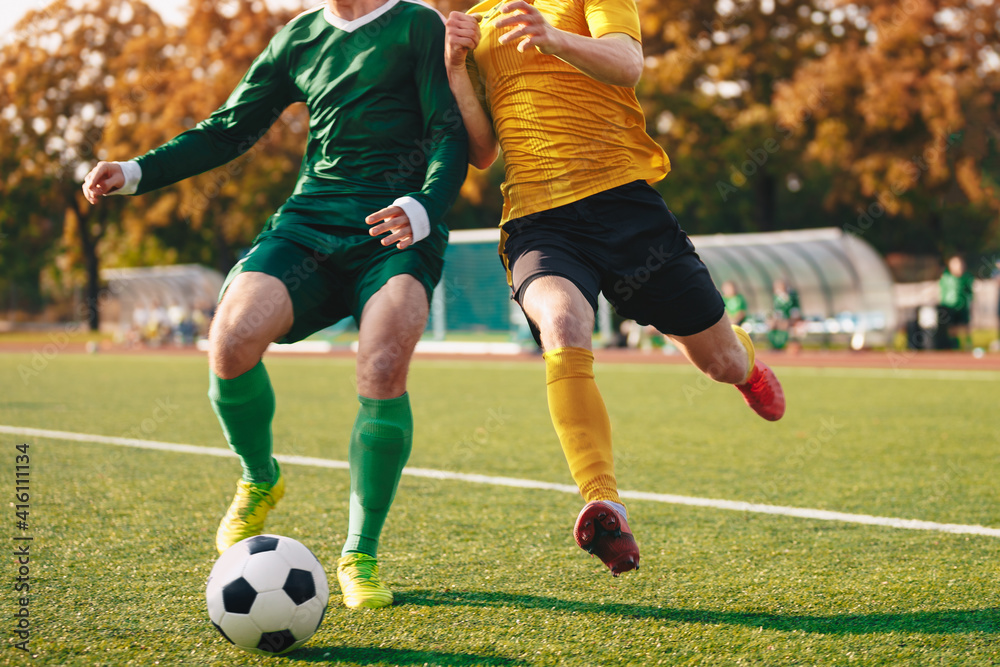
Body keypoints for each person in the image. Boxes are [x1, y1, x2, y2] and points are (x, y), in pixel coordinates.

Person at [82, 0, 467, 609]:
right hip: (310, 222)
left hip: (396, 227)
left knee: (384, 359)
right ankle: (260, 477)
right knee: (231, 339)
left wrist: (424, 208)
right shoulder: (298, 38)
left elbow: (452, 132)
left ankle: (359, 555)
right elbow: (230, 127)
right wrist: (134, 171)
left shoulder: (417, 23)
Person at [443, 0, 785, 576]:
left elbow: (627, 63)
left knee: (719, 363)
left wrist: (554, 38)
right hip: (539, 221)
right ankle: (602, 500)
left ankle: (745, 362)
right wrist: (456, 68)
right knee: (562, 322)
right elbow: (482, 153)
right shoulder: (473, 24)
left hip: (626, 208)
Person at [938, 254, 974, 350]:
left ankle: (968, 345)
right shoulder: (946, 277)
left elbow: (969, 292)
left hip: (962, 306)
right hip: (949, 306)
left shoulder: (966, 277)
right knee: (952, 327)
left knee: (965, 326)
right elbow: (942, 292)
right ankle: (954, 345)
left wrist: (970, 303)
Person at [768, 279, 801, 351]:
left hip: (789, 319)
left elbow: (795, 311)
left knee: (784, 325)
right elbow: (775, 311)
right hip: (779, 319)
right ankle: (774, 345)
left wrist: (790, 319)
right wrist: (775, 319)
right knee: (771, 324)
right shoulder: (776, 297)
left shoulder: (792, 297)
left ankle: (781, 345)